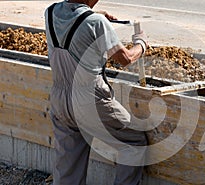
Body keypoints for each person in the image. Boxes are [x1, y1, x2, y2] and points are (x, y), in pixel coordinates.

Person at [44, 0, 148, 184]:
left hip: (60, 100)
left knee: (69, 163)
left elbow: (71, 14)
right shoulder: (96, 22)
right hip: (91, 101)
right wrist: (141, 43)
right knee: (132, 142)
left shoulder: (51, 12)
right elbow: (125, 59)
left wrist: (94, 14)